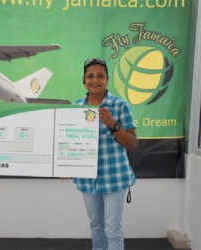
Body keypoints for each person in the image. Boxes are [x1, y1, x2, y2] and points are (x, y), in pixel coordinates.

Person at [73, 58, 136, 250]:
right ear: (84, 80)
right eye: (90, 76)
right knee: (96, 226)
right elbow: (71, 143)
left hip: (114, 177)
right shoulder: (76, 107)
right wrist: (65, 165)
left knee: (113, 228)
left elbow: (132, 143)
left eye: (100, 76)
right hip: (87, 178)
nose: (95, 80)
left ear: (107, 79)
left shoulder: (119, 105)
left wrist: (113, 124)